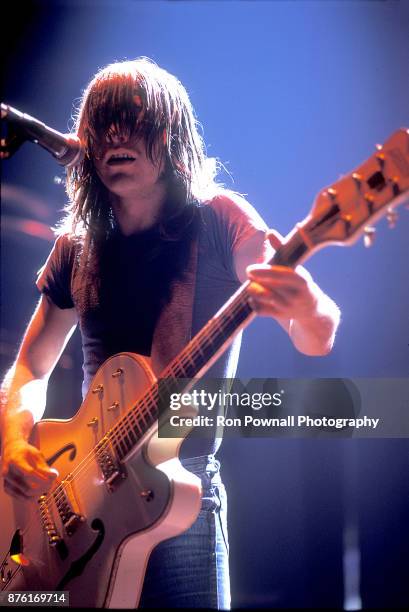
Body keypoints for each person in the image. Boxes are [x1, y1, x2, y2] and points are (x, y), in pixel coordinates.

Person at [0, 57, 340, 608]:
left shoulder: (220, 219)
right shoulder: (76, 247)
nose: (115, 136)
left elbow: (316, 336)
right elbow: (31, 367)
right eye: (102, 123)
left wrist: (306, 303)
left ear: (171, 135)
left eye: (133, 120)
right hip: (76, 507)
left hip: (181, 496)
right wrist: (15, 442)